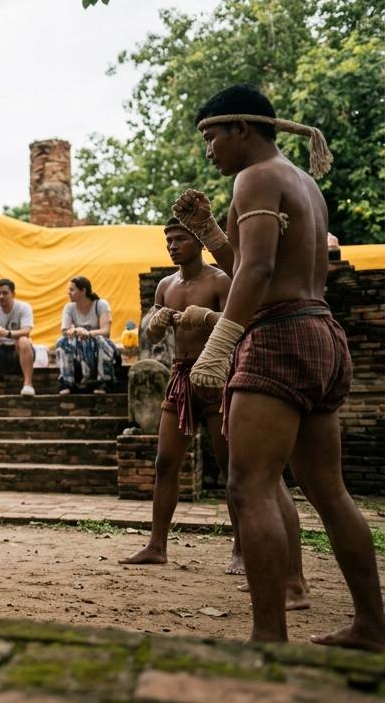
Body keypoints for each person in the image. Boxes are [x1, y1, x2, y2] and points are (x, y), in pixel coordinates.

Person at [174, 84, 383, 649]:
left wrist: (221, 342)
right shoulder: (302, 182)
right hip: (320, 331)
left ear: (242, 128)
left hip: (279, 336)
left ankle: (268, 638)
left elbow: (259, 270)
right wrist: (213, 233)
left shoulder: (256, 176)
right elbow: (250, 261)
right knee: (329, 490)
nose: (210, 151)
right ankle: (371, 626)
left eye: (212, 136)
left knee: (250, 486)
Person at [121, 219, 243, 571]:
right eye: (168, 240)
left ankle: (241, 548)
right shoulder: (165, 285)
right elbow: (155, 338)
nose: (172, 246)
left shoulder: (220, 279)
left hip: (217, 374)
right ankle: (157, 545)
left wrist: (206, 319)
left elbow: (240, 323)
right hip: (181, 374)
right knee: (165, 461)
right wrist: (156, 325)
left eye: (180, 240)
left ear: (198, 242)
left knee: (229, 466)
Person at [54, 276, 119, 394]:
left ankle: (104, 382)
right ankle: (67, 383)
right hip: (80, 347)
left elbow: (106, 331)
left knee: (101, 340)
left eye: (72, 290)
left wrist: (88, 333)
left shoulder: (101, 304)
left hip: (100, 345)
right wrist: (76, 331)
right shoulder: (69, 307)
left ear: (83, 291)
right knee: (62, 342)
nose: (69, 293)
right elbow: (65, 330)